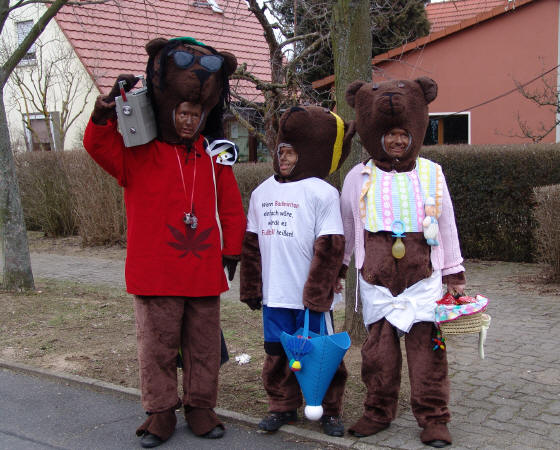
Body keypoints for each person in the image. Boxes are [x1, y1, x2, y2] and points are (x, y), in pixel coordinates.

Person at [83, 37, 245, 448]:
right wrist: (103, 114)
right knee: (157, 348)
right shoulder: (138, 152)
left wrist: (232, 247)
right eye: (183, 113)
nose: (189, 121)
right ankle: (160, 412)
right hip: (155, 271)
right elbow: (98, 145)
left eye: (196, 114)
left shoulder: (213, 156)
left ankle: (201, 407)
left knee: (203, 347)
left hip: (203, 271)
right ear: (170, 109)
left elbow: (230, 205)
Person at [340, 78, 466, 448]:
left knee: (428, 356)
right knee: (378, 356)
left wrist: (454, 273)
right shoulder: (358, 177)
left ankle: (434, 417)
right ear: (376, 135)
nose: (396, 141)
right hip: (376, 284)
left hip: (422, 282)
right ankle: (378, 412)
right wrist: (338, 269)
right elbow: (347, 226)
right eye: (389, 135)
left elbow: (447, 224)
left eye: (402, 135)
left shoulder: (431, 173)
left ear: (413, 133)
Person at [239, 106, 356, 437]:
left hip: (309, 299)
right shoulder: (261, 192)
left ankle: (330, 410)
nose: (284, 159)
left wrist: (318, 293)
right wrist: (251, 287)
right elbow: (251, 244)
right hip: (274, 295)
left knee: (323, 355)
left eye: (290, 153)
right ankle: (282, 406)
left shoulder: (323, 192)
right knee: (277, 355)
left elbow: (330, 245)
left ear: (305, 154)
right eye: (281, 152)